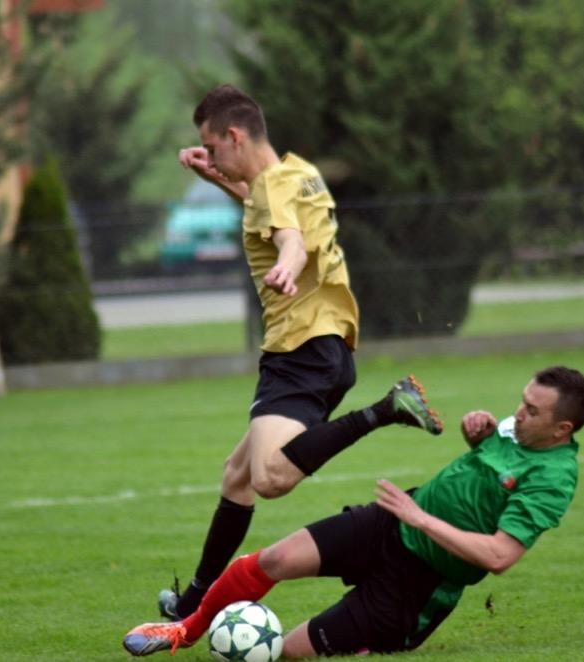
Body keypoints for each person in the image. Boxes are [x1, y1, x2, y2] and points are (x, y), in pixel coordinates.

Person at [155, 84, 445, 621]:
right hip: (329, 345)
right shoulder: (298, 173)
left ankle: (386, 409)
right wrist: (213, 176)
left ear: (234, 136)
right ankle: (195, 602)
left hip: (299, 349)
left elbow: (288, 239)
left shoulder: (272, 188)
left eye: (213, 148)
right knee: (238, 474)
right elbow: (266, 210)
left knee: (268, 478)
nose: (211, 157)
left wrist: (287, 267)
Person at [124, 366, 584, 658]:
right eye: (522, 401)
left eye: (533, 410)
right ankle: (184, 630)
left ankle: (380, 638)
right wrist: (479, 436)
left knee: (287, 651)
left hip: (419, 580)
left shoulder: (554, 479)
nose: (519, 412)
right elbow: (489, 469)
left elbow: (499, 556)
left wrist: (422, 519)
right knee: (275, 559)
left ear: (562, 429)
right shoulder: (518, 427)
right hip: (391, 521)